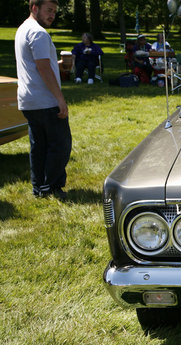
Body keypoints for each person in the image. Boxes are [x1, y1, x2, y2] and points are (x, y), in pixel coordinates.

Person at [15, 0, 71, 200]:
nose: (52, 15)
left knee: (39, 146)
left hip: (28, 100)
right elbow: (42, 67)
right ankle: (51, 187)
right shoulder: (38, 33)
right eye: (49, 10)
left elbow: (36, 64)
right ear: (34, 8)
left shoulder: (23, 29)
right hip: (44, 101)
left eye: (54, 11)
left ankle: (39, 188)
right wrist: (60, 99)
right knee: (60, 146)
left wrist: (59, 65)